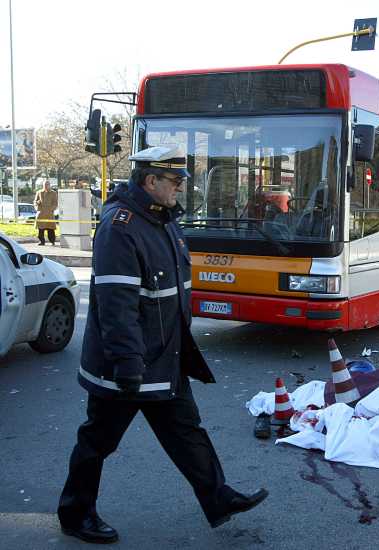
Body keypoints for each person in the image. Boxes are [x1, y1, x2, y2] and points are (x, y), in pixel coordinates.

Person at [58, 146, 268, 544]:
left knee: (187, 432)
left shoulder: (163, 221)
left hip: (165, 358)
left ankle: (218, 498)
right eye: (173, 182)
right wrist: (127, 365)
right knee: (97, 442)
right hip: (128, 367)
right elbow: (117, 306)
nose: (179, 189)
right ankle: (75, 513)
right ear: (150, 181)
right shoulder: (120, 228)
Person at [34, 180, 58, 245]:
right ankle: (42, 241)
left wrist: (51, 209)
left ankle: (52, 241)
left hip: (49, 214)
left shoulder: (53, 193)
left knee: (51, 229)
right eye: (44, 185)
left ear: (49, 185)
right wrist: (37, 205)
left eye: (47, 185)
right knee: (40, 229)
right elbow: (35, 202)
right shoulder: (39, 192)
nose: (46, 186)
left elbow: (55, 203)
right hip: (41, 214)